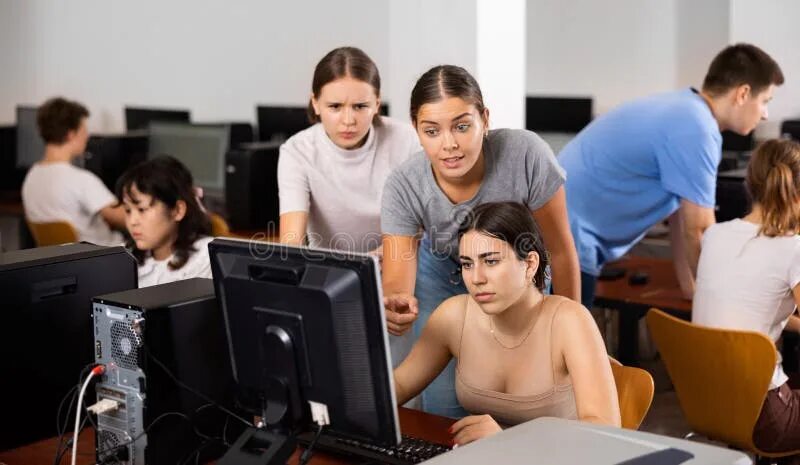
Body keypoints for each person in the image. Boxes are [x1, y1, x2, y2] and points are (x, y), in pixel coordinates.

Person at [381, 65, 580, 417]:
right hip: (442, 272)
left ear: (484, 119)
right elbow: (398, 281)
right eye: (432, 131)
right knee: (444, 403)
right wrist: (397, 306)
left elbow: (560, 250)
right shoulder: (403, 184)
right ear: (416, 130)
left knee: (535, 390)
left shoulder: (525, 154)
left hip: (516, 270)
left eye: (462, 126)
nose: (450, 144)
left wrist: (570, 329)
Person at [558, 43, 784, 309]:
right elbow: (698, 230)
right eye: (765, 101)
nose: (766, 113)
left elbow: (682, 220)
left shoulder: (685, 110)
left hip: (558, 235)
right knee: (563, 347)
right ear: (743, 94)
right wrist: (720, 299)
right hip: (565, 243)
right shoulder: (697, 129)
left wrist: (693, 290)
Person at [394, 201, 619, 444]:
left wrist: (510, 440)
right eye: (467, 264)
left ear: (530, 264)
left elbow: (605, 432)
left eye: (491, 261)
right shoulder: (453, 316)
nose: (476, 279)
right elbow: (400, 384)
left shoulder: (570, 322)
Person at [692, 139, 800, 456]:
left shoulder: (715, 235)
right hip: (762, 416)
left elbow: (751, 313)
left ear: (749, 184)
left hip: (706, 402)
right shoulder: (793, 248)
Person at [278, 46, 419, 255]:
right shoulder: (297, 151)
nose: (348, 120)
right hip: (330, 272)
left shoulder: (406, 139)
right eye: (335, 106)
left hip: (399, 263)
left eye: (360, 106)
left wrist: (374, 260)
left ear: (377, 103)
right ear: (315, 103)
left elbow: (421, 225)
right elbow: (291, 242)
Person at [22, 97, 125, 246]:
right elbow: (125, 218)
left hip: (62, 261)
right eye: (84, 129)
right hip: (108, 257)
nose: (87, 135)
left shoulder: (31, 177)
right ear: (71, 134)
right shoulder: (81, 180)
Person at [116, 156, 213, 288]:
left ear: (178, 210)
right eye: (128, 211)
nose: (133, 221)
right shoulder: (120, 256)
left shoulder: (206, 258)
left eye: (142, 210)